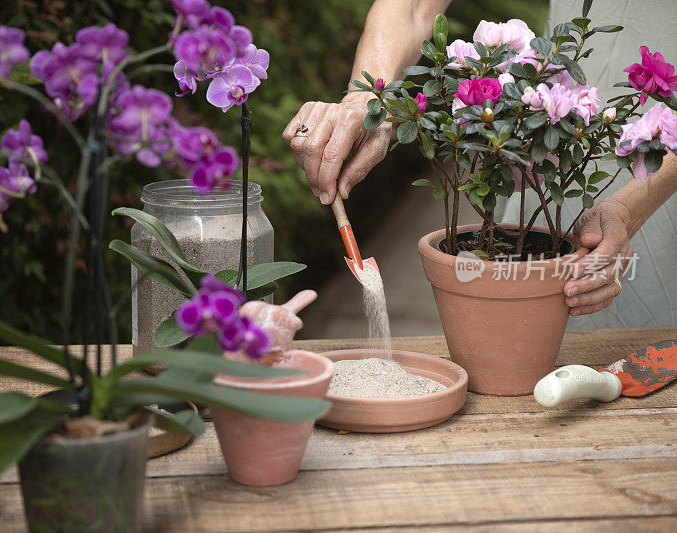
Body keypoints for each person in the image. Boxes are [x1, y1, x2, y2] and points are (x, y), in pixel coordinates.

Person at [283, 0, 677, 328]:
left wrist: (626, 210)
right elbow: (413, 6)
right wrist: (367, 102)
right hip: (538, 150)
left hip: (659, 179)